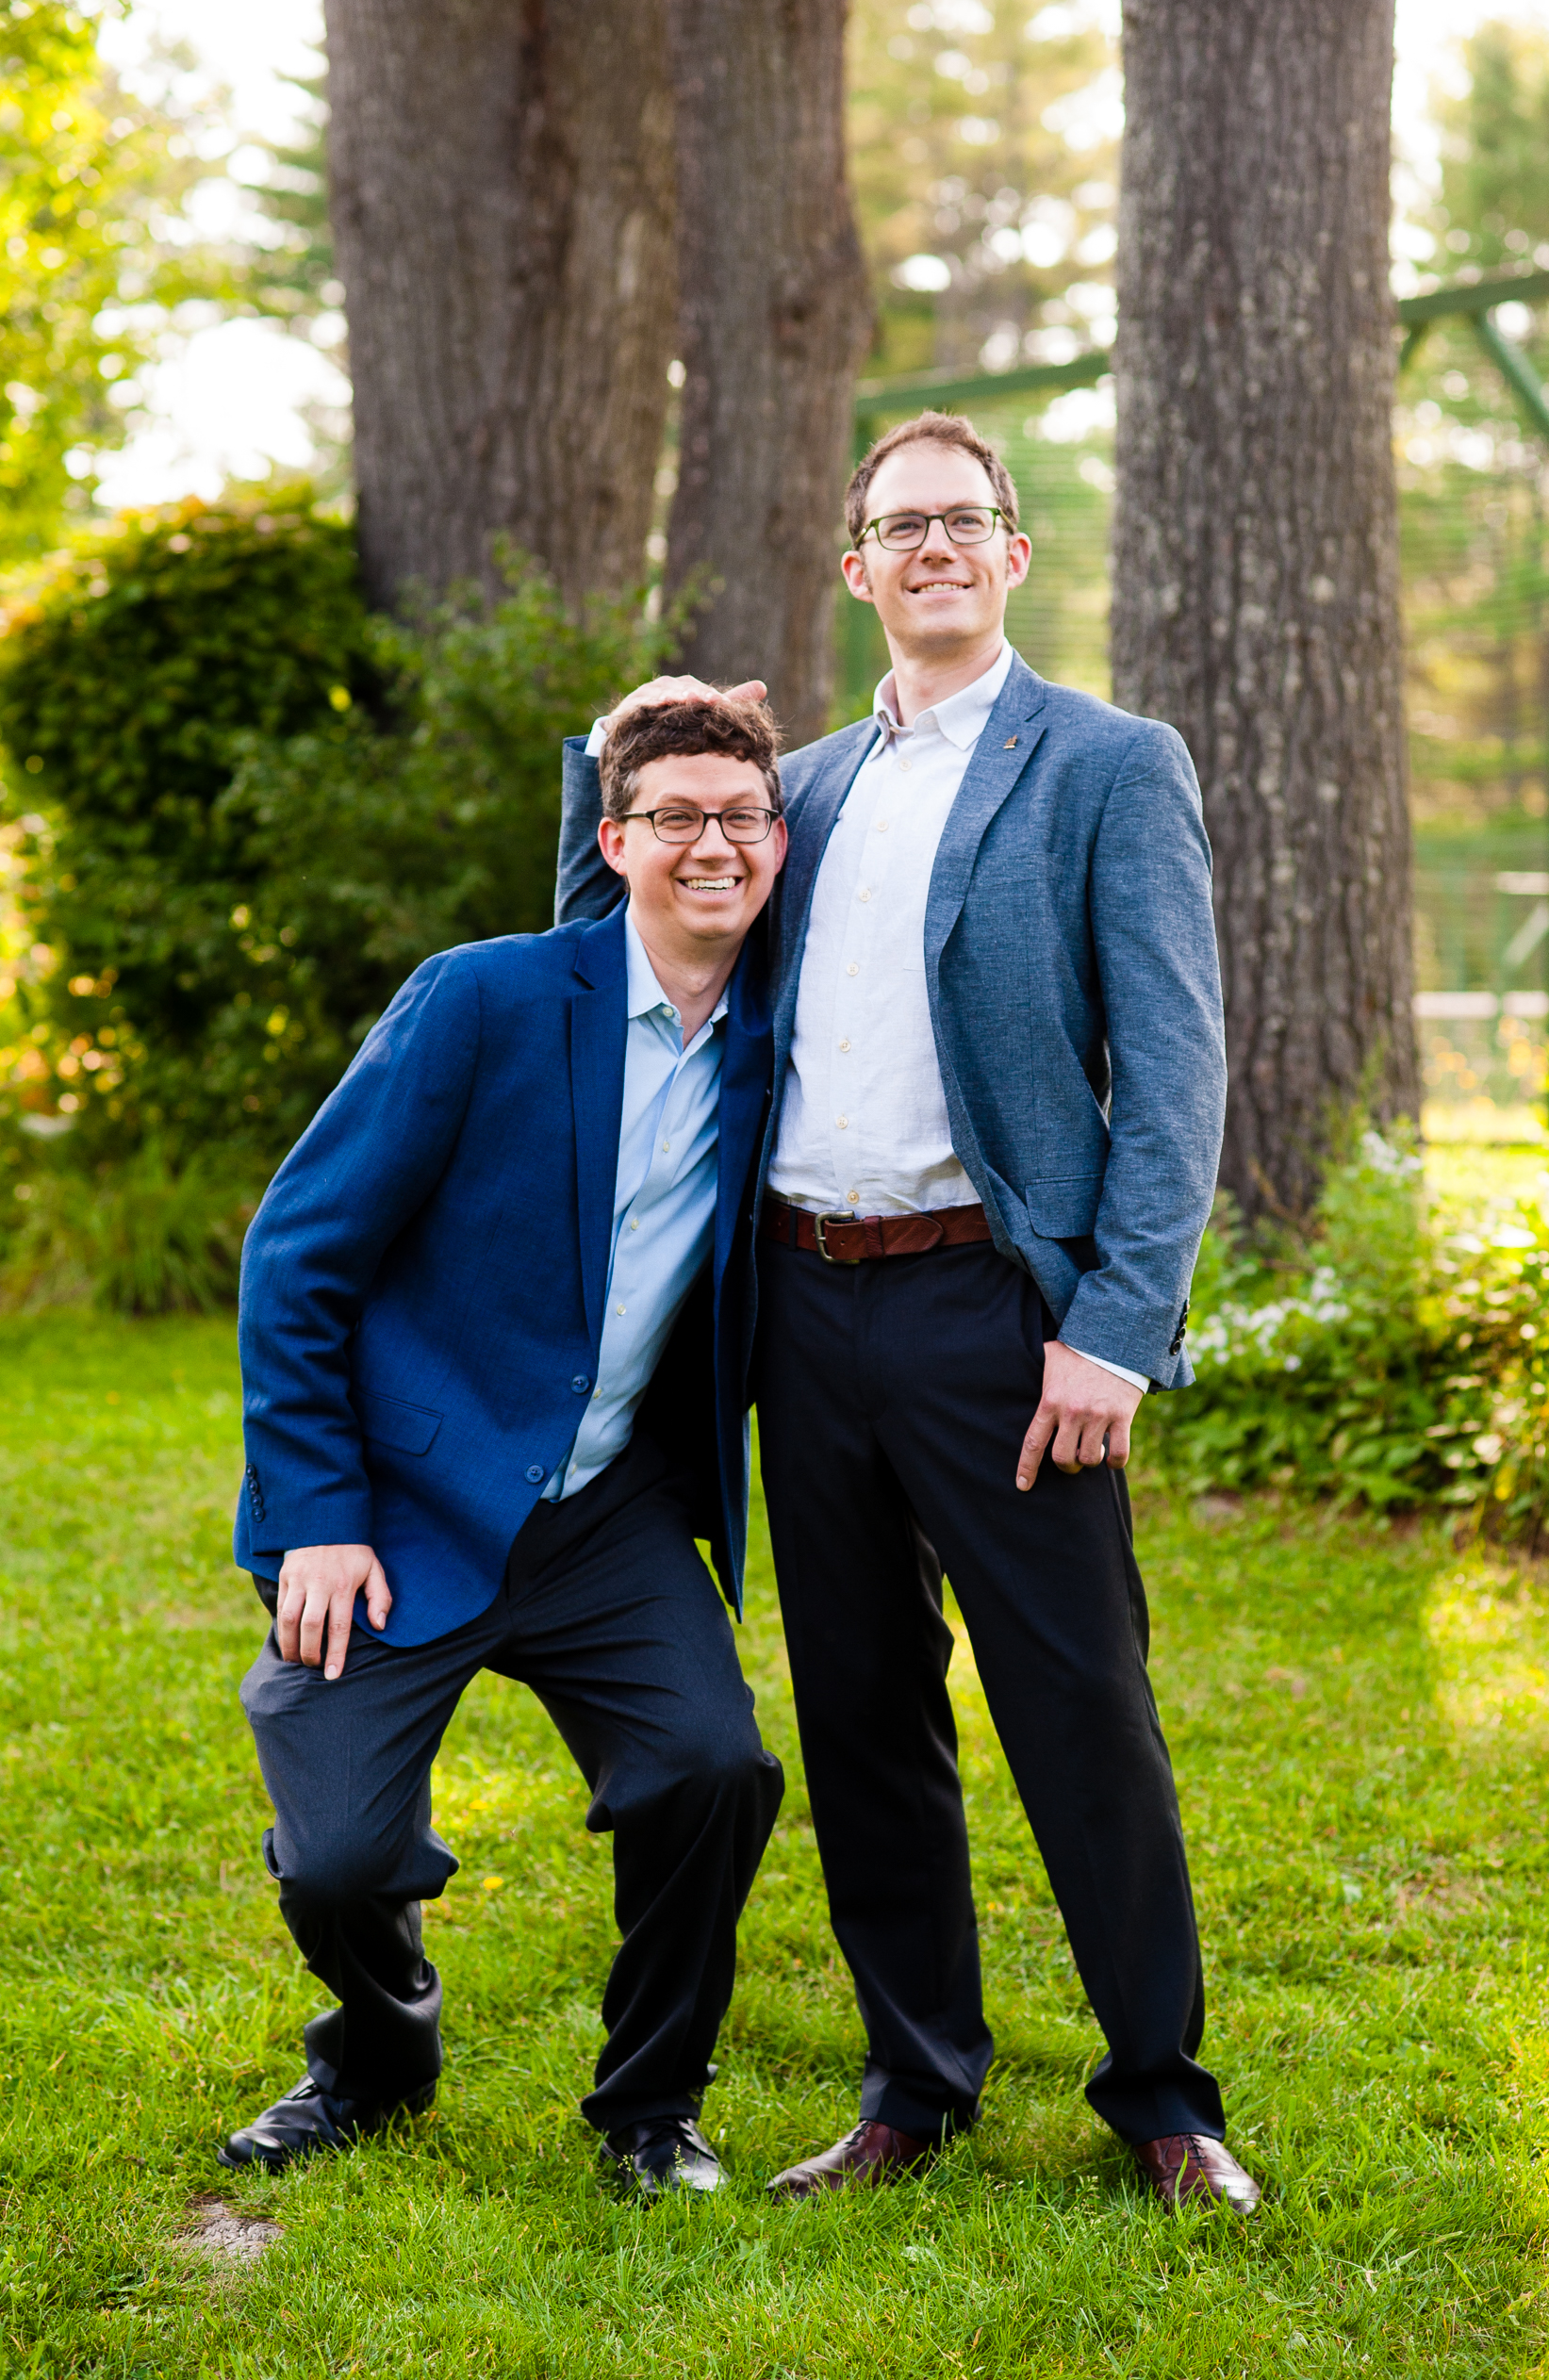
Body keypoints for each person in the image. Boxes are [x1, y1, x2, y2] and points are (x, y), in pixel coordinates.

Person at [554, 412, 1258, 2213]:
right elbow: (606, 926)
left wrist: (1114, 1327)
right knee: (864, 1710)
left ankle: (1168, 2103)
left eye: (965, 519)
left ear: (1014, 553)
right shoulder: (800, 794)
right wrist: (612, 752)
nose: (933, 546)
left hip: (994, 1320)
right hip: (801, 1307)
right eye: (898, 526)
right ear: (856, 569)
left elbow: (1176, 1075)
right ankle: (914, 2081)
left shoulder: (1108, 764)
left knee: (1078, 1703)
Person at [222, 696, 788, 2198]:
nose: (712, 842)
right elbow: (296, 1258)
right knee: (340, 1855)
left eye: (742, 814)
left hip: (607, 1513)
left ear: (780, 844)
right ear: (613, 842)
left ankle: (653, 2110)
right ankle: (378, 2050)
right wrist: (322, 1513)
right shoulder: (478, 1001)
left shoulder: (781, 1051)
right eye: (673, 815)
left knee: (712, 1770)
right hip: (404, 1498)